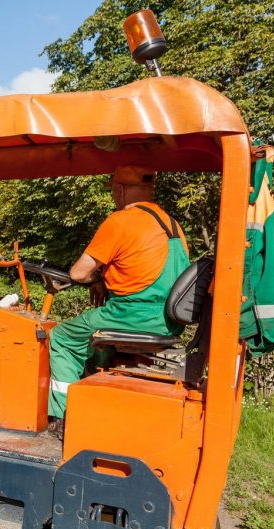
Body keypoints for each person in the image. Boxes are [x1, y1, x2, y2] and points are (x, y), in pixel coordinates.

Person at [48, 165, 190, 418]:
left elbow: (78, 273)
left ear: (120, 190)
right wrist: (103, 280)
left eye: (113, 190)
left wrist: (93, 277)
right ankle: (94, 396)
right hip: (168, 321)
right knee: (96, 342)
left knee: (62, 337)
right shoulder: (172, 225)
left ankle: (62, 416)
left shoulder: (121, 221)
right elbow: (141, 269)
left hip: (131, 316)